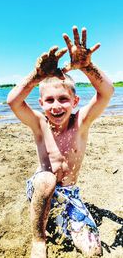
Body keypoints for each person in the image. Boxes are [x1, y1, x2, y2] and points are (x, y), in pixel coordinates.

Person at [7, 26, 114, 257]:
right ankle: (39, 239)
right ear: (41, 104)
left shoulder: (81, 123)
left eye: (63, 99)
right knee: (46, 179)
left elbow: (107, 92)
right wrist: (36, 77)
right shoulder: (39, 124)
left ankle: (64, 221)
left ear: (75, 101)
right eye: (50, 100)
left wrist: (87, 67)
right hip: (42, 188)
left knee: (93, 250)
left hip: (70, 194)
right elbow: (13, 102)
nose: (56, 106)